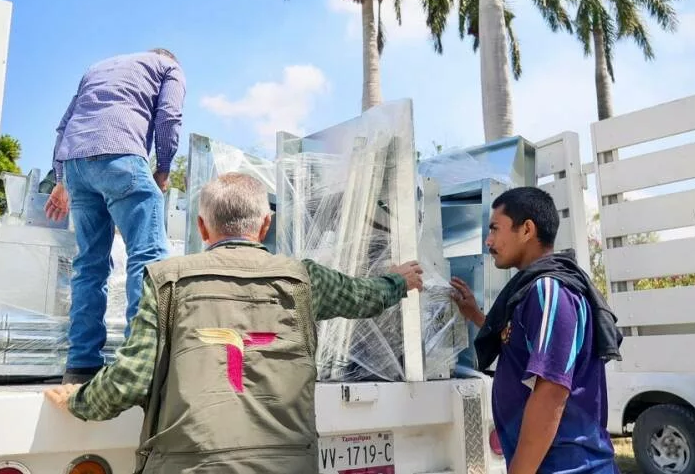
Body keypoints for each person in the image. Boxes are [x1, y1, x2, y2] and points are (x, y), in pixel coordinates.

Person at [45, 172, 424, 474]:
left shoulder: (166, 282)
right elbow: (363, 296)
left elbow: (129, 381)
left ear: (202, 227)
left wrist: (78, 400)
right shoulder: (304, 279)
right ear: (265, 224)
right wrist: (398, 281)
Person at [449, 187, 622, 474]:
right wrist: (476, 316)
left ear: (527, 229)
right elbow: (520, 341)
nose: (489, 240)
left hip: (568, 467)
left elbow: (551, 391)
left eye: (495, 229)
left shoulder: (549, 290)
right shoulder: (536, 290)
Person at [44, 49, 186, 384]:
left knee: (89, 264)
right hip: (121, 154)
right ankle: (142, 363)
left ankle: (80, 366)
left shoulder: (96, 67)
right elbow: (168, 117)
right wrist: (163, 169)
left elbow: (64, 125)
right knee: (148, 257)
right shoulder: (169, 67)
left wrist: (61, 179)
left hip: (76, 163)